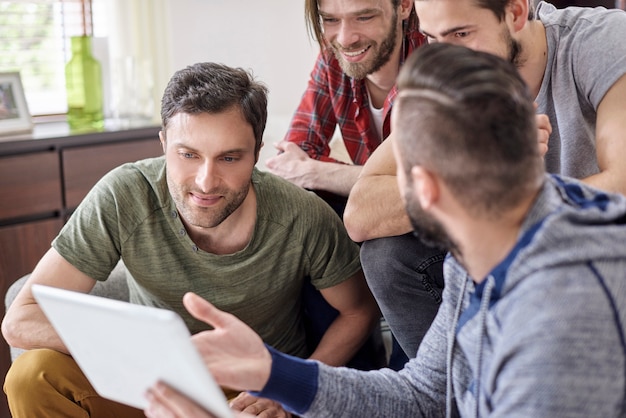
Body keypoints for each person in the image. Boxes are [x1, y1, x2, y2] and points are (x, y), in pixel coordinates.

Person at [145, 42, 626, 418]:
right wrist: (274, 372)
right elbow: (422, 396)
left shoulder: (563, 313)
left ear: (424, 189)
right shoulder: (483, 248)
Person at [1, 62, 382, 418]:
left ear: (256, 154)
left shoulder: (301, 215)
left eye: (230, 158)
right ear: (164, 142)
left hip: (250, 396)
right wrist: (136, 349)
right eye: (187, 154)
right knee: (33, 375)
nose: (205, 181)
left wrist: (289, 388)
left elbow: (359, 311)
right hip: (151, 384)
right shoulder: (124, 194)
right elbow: (21, 319)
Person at [343, 0, 626, 359]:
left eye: (462, 33)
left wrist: (508, 189)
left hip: (592, 252)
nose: (447, 60)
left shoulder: (600, 40)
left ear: (516, 12)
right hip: (499, 249)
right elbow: (360, 214)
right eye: (433, 37)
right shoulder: (448, 78)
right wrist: (482, 168)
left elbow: (620, 187)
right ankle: (451, 391)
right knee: (387, 256)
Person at [265, 0, 424, 217]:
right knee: (289, 207)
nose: (345, 39)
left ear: (404, 6)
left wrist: (315, 172)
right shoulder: (333, 56)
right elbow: (291, 158)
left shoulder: (432, 59)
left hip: (430, 219)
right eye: (330, 20)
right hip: (367, 208)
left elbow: (423, 186)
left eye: (364, 17)